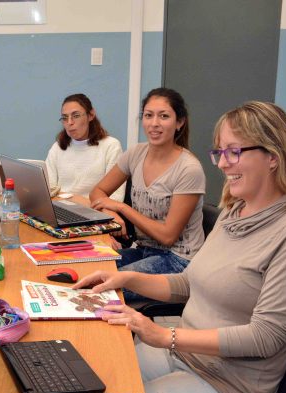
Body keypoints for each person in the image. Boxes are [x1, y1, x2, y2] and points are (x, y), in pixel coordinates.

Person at [74, 101, 286, 393]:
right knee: (89, 384)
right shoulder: (233, 213)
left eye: (234, 152)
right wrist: (125, 278)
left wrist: (166, 336)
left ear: (272, 157)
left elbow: (267, 336)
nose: (222, 164)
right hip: (186, 354)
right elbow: (189, 282)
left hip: (228, 385)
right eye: (219, 153)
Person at [88, 88, 205, 283]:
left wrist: (122, 207)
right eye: (148, 115)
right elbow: (97, 192)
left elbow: (167, 236)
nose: (154, 123)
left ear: (180, 122)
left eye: (164, 116)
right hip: (143, 250)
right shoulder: (136, 153)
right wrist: (113, 215)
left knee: (103, 284)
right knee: (85, 269)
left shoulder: (189, 168)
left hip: (179, 260)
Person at [45, 93, 124, 200]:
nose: (69, 122)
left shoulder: (111, 146)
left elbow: (116, 198)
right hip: (61, 207)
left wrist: (82, 203)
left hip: (96, 212)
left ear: (91, 115)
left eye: (76, 116)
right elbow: (48, 190)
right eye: (65, 118)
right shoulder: (57, 147)